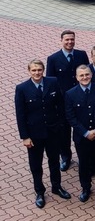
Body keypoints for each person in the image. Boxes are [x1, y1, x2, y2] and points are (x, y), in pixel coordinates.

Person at [15, 59, 71, 209]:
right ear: (29, 71)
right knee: (36, 165)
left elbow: (60, 104)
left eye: (39, 70)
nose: (37, 73)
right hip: (34, 135)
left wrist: (60, 124)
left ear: (43, 70)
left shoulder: (52, 82)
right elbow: (20, 115)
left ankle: (56, 187)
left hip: (53, 132)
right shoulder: (22, 88)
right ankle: (39, 191)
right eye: (34, 70)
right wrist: (25, 137)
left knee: (54, 161)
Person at [64, 65, 95, 202]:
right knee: (83, 163)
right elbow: (71, 117)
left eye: (87, 74)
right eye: (81, 75)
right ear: (77, 77)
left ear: (91, 75)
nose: (85, 78)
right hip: (81, 137)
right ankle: (86, 187)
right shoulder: (70, 94)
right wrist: (85, 132)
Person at [46, 30, 90, 171]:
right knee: (63, 132)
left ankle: (86, 156)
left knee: (81, 127)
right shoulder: (53, 58)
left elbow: (88, 74)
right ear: (61, 41)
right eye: (67, 40)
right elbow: (51, 81)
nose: (70, 42)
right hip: (62, 102)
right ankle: (66, 157)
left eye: (72, 39)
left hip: (80, 99)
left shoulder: (81, 55)